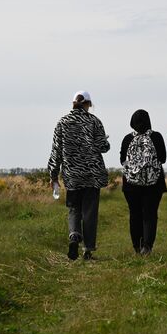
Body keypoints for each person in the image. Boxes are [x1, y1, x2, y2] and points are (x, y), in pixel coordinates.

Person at [48, 91, 110, 260]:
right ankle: (87, 250)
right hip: (92, 175)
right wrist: (106, 141)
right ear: (87, 104)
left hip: (72, 175)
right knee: (90, 212)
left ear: (73, 103)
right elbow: (103, 147)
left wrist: (53, 176)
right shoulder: (94, 122)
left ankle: (74, 235)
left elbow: (56, 153)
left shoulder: (62, 123)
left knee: (74, 208)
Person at [120, 109, 167, 255]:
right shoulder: (157, 137)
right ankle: (147, 246)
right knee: (150, 214)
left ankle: (137, 246)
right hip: (153, 183)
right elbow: (163, 158)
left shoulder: (127, 138)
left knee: (135, 214)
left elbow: (122, 160)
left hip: (131, 184)